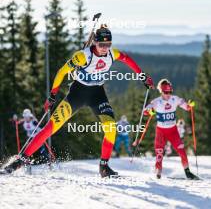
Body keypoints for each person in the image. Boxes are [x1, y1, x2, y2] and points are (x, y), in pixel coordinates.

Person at [4, 24, 154, 177]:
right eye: (101, 44)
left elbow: (127, 59)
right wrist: (53, 94)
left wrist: (142, 76)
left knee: (111, 128)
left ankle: (104, 167)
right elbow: (62, 71)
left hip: (97, 94)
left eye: (108, 44)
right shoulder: (82, 56)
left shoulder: (111, 54)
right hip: (77, 93)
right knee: (50, 128)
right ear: (95, 42)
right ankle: (20, 160)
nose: (104, 48)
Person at [144, 78, 198, 179]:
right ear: (161, 91)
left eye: (170, 91)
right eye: (166, 92)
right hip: (161, 131)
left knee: (181, 150)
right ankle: (158, 173)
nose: (168, 94)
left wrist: (189, 105)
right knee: (159, 153)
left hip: (173, 130)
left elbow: (186, 106)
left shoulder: (175, 99)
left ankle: (188, 172)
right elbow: (145, 111)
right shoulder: (156, 102)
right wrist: (149, 112)